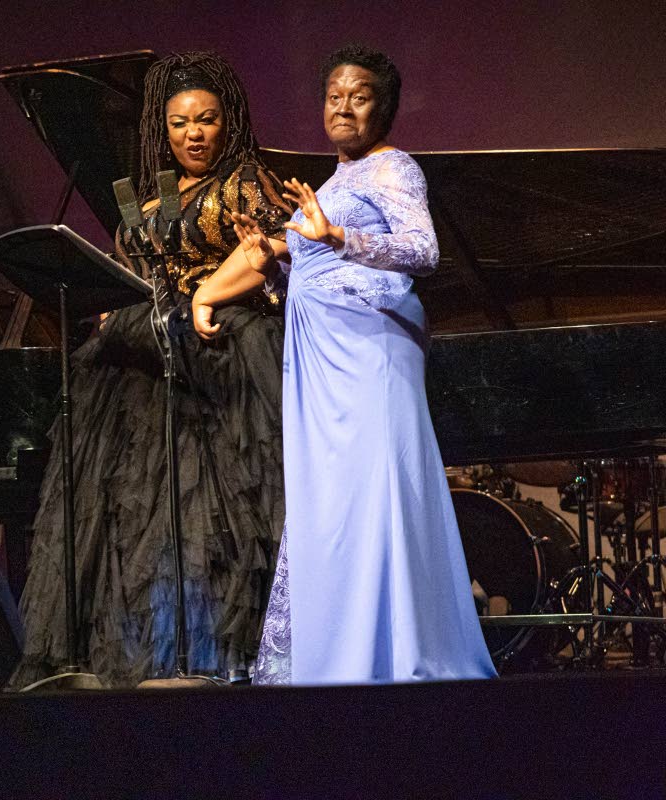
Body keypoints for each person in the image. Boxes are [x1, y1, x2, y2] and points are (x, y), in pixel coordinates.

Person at [193, 45, 495, 684]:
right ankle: (341, 649)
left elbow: (423, 250)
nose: (344, 108)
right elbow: (313, 272)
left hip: (370, 349)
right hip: (322, 351)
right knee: (331, 502)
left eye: (358, 97)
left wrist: (336, 238)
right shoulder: (332, 183)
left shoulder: (394, 168)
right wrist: (274, 260)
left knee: (372, 492)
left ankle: (390, 652)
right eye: (334, 97)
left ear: (382, 108)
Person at [9, 52, 292, 688]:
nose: (194, 133)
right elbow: (130, 266)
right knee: (129, 514)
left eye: (207, 120)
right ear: (162, 130)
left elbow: (275, 249)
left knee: (207, 514)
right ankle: (135, 658)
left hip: (221, 361)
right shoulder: (152, 194)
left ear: (229, 123)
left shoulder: (245, 181)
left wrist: (207, 294)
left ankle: (210, 657)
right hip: (142, 361)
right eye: (179, 123)